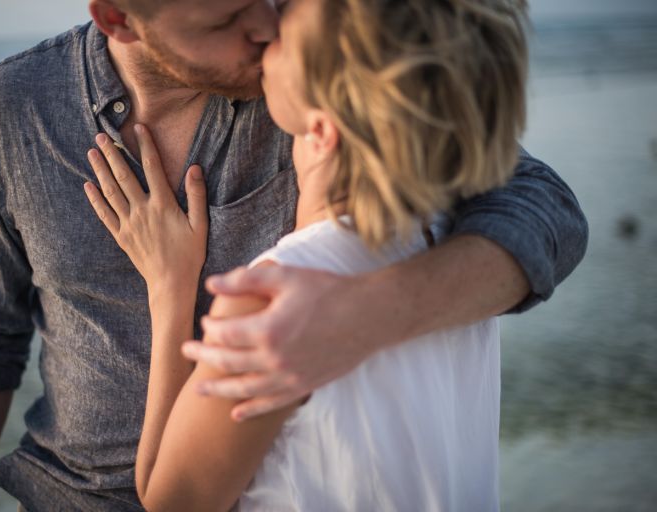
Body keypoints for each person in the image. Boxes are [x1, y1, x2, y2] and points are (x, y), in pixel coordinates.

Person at [0, 0, 587, 510]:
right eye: (224, 17)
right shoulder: (14, 110)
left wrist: (357, 317)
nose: (265, 24)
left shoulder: (318, 72)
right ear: (118, 18)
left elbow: (547, 210)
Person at [84, 0, 525, 509]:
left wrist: (169, 288)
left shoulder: (272, 301)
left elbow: (171, 500)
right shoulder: (456, 258)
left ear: (322, 127)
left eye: (285, 32)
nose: (267, 29)